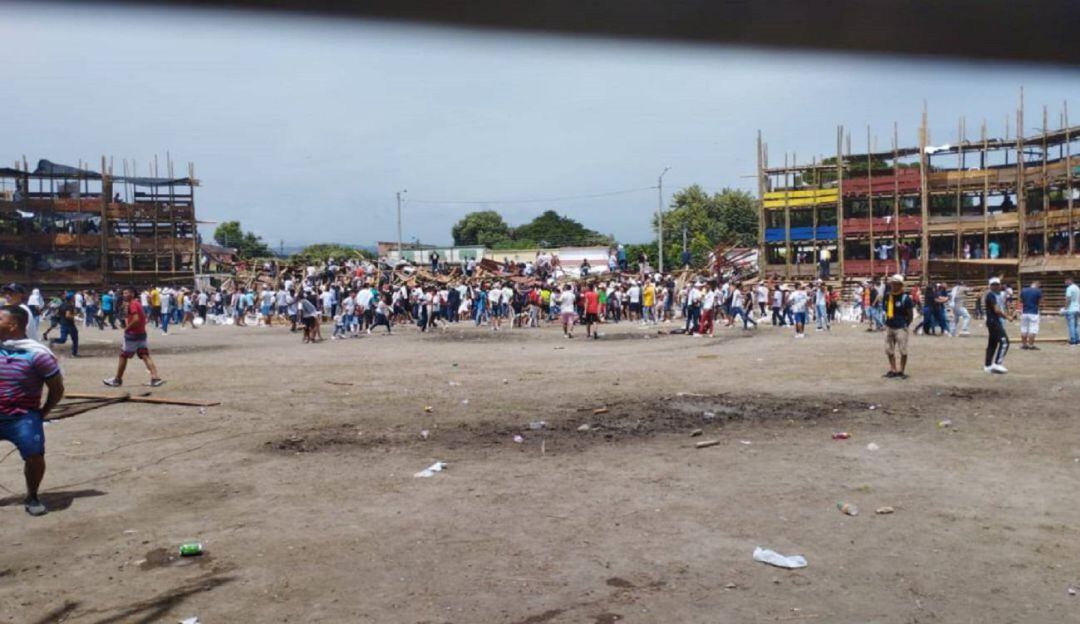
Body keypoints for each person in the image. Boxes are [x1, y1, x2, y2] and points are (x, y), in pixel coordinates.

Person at [0, 305, 65, 516]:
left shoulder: (37, 354)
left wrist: (43, 412)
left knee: (34, 456)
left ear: (13, 325)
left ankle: (32, 496)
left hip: (22, 416)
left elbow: (56, 388)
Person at [103, 287, 165, 387]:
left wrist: (127, 328)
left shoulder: (133, 304)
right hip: (141, 333)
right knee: (145, 355)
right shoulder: (137, 303)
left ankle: (117, 380)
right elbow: (140, 318)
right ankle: (155, 378)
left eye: (126, 293)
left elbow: (136, 319)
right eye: (123, 293)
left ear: (132, 294)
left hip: (133, 334)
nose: (124, 295)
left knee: (123, 356)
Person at [882, 274, 914, 379]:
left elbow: (910, 315)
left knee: (903, 350)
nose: (893, 286)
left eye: (895, 284)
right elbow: (884, 309)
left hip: (901, 327)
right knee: (889, 350)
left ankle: (901, 370)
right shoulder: (887, 296)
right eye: (892, 284)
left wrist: (905, 325)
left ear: (900, 285)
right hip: (889, 325)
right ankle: (893, 369)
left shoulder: (906, 298)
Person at [984, 277, 1011, 374]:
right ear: (990, 286)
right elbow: (997, 310)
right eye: (993, 285)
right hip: (994, 321)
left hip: (994, 321)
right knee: (1005, 342)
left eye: (997, 284)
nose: (995, 286)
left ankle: (988, 365)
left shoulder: (998, 295)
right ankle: (997, 363)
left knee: (992, 343)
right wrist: (1007, 317)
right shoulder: (991, 295)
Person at [1019, 280, 1043, 350]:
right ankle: (1031, 345)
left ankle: (1024, 345)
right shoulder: (1038, 291)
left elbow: (1021, 300)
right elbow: (1040, 302)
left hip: (1025, 312)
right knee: (1033, 329)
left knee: (1024, 329)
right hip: (1034, 312)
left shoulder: (1023, 290)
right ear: (1037, 285)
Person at [1066, 277, 1080, 347]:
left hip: (1071, 309)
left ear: (1069, 281)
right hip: (1077, 308)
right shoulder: (1077, 288)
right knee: (1076, 325)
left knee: (1071, 326)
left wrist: (1065, 308)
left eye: (1066, 281)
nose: (1065, 282)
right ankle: (1078, 341)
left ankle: (1073, 341)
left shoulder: (1069, 288)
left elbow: (1068, 299)